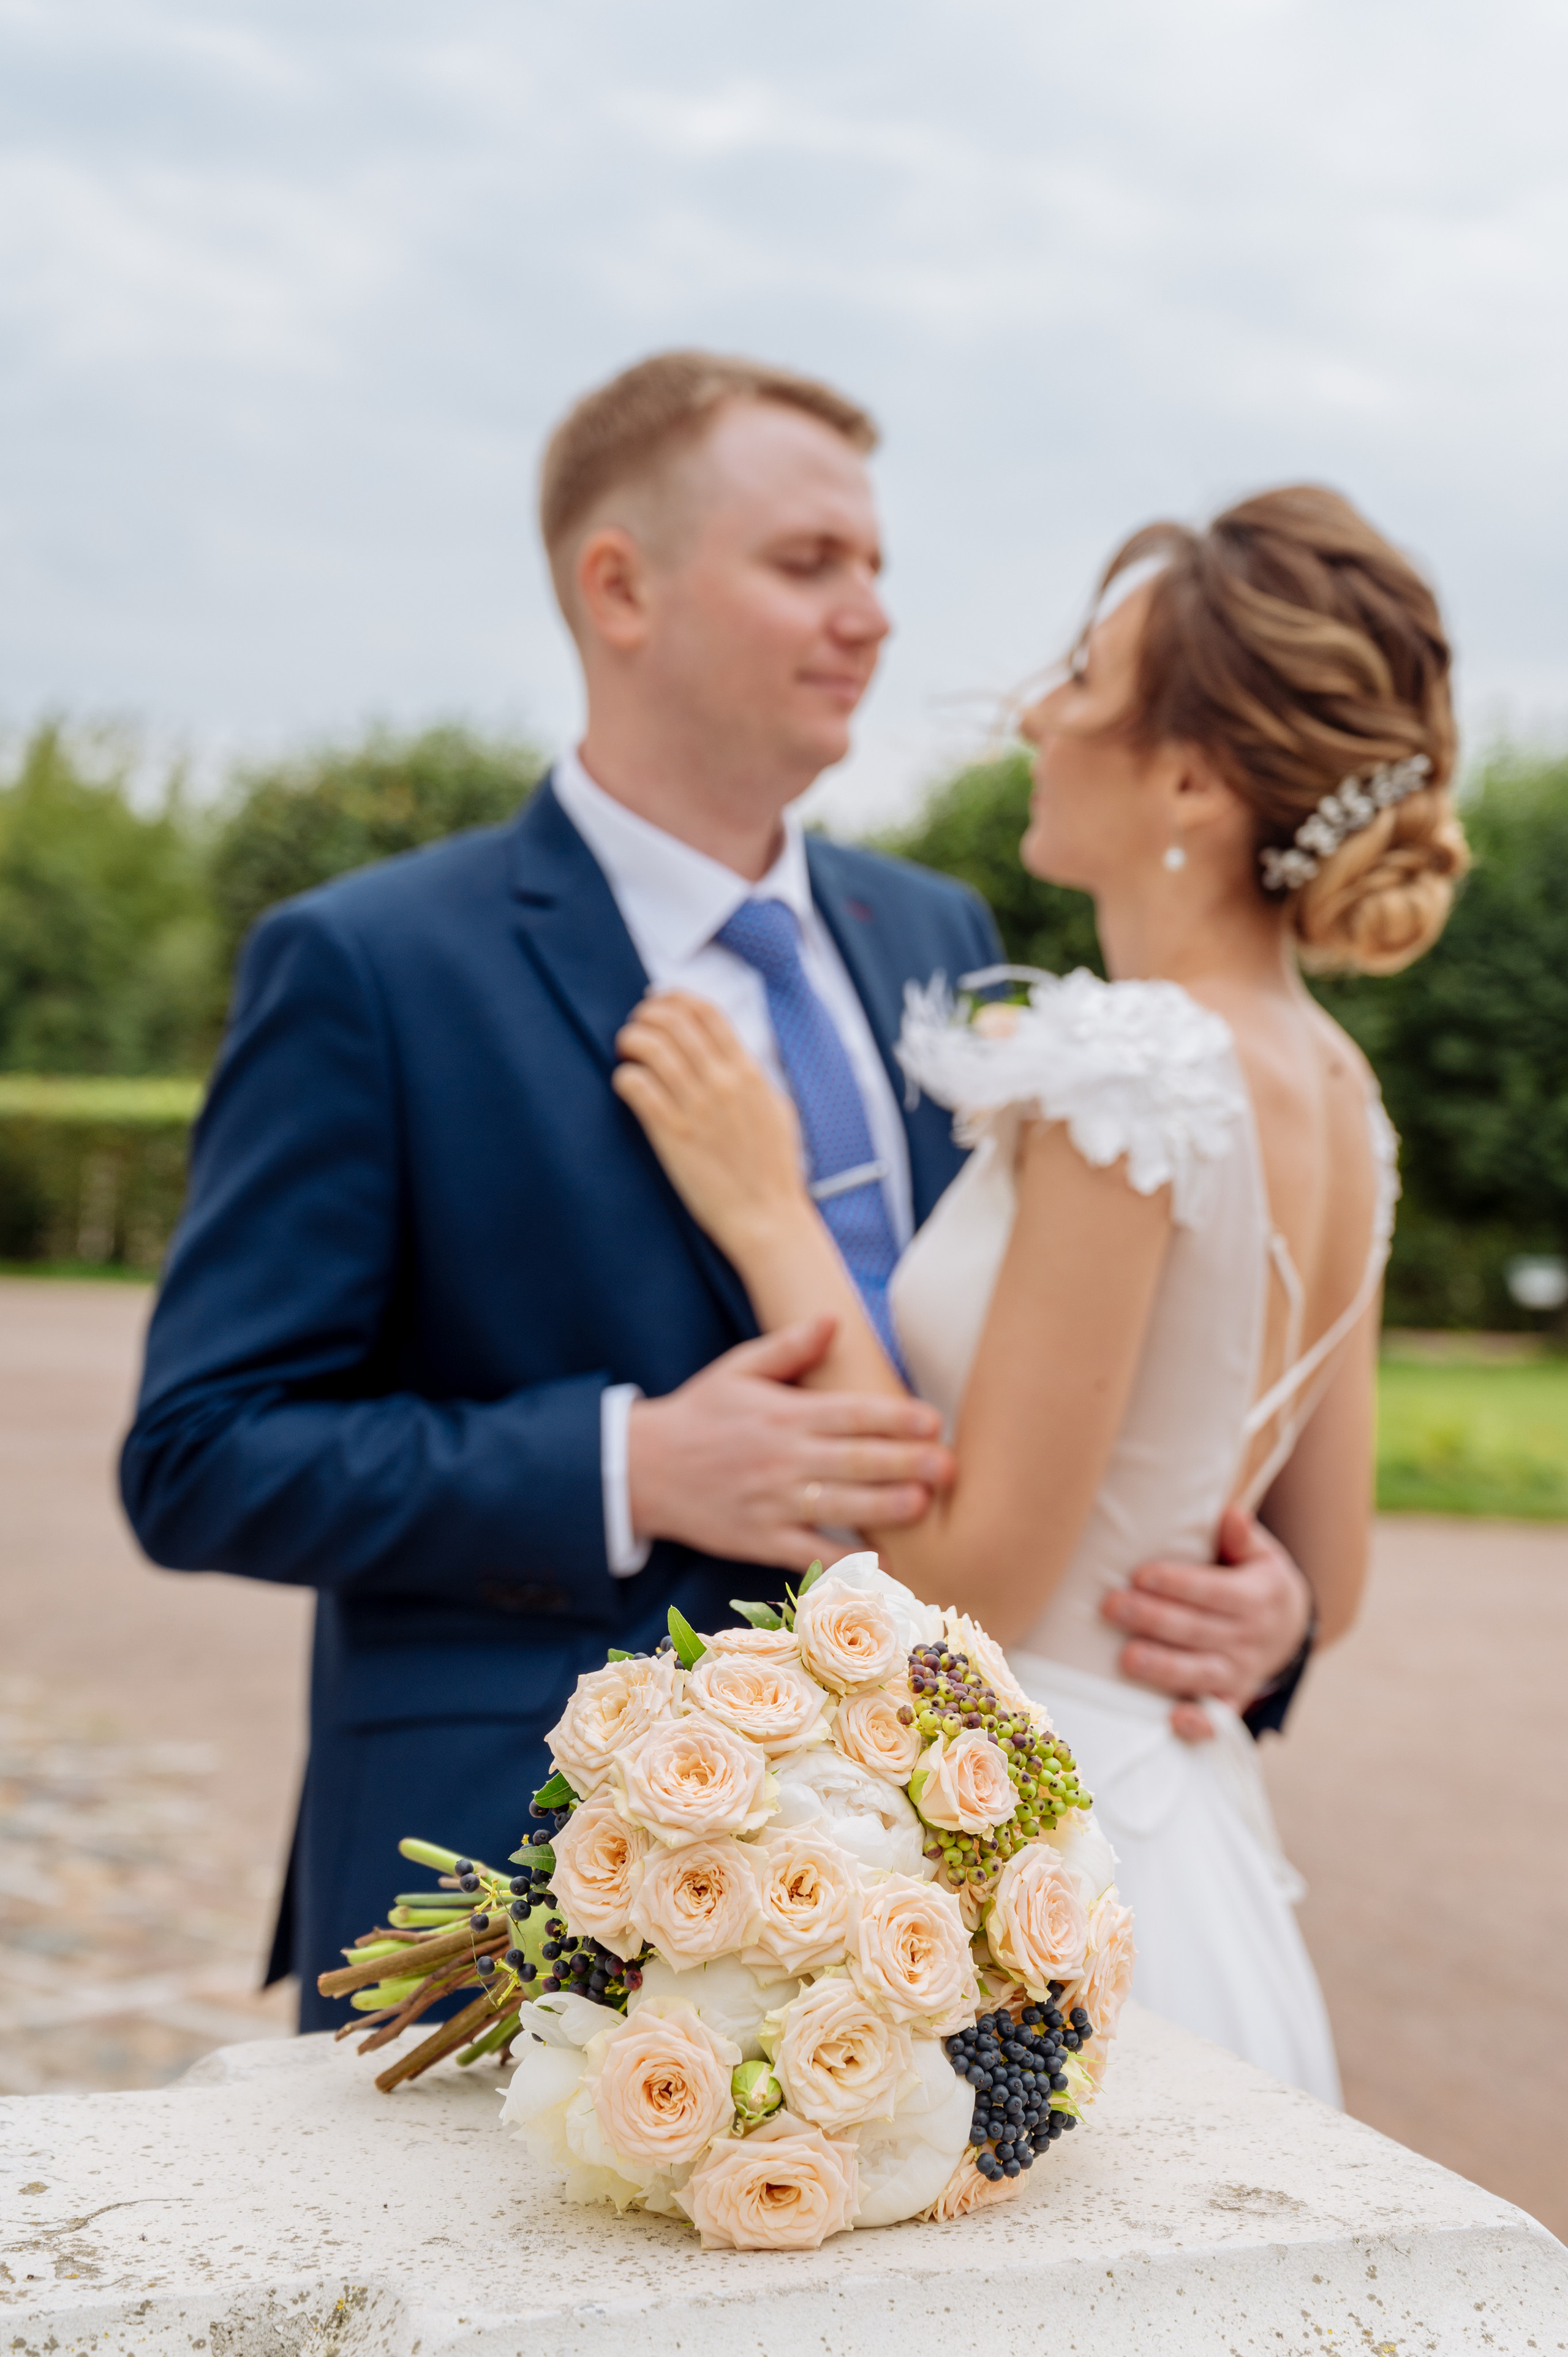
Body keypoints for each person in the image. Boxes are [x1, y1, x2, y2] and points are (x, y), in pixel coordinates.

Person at [120, 352, 1315, 2027]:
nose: (875, 614)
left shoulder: (945, 937)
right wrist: (630, 1463)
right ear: (622, 587)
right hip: (529, 1896)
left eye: (879, 567)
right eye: (810, 563)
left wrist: (1263, 1601)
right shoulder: (373, 967)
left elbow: (1048, 1388)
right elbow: (200, 1457)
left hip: (934, 1905)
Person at [612, 485, 1469, 2102]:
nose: (1032, 713)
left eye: (1081, 678)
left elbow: (962, 1591)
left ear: (1197, 777)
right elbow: (1324, 1579)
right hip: (1192, 1829)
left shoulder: (1127, 1071)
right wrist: (1264, 1610)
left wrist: (771, 1212)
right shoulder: (1342, 1088)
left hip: (1050, 1851)